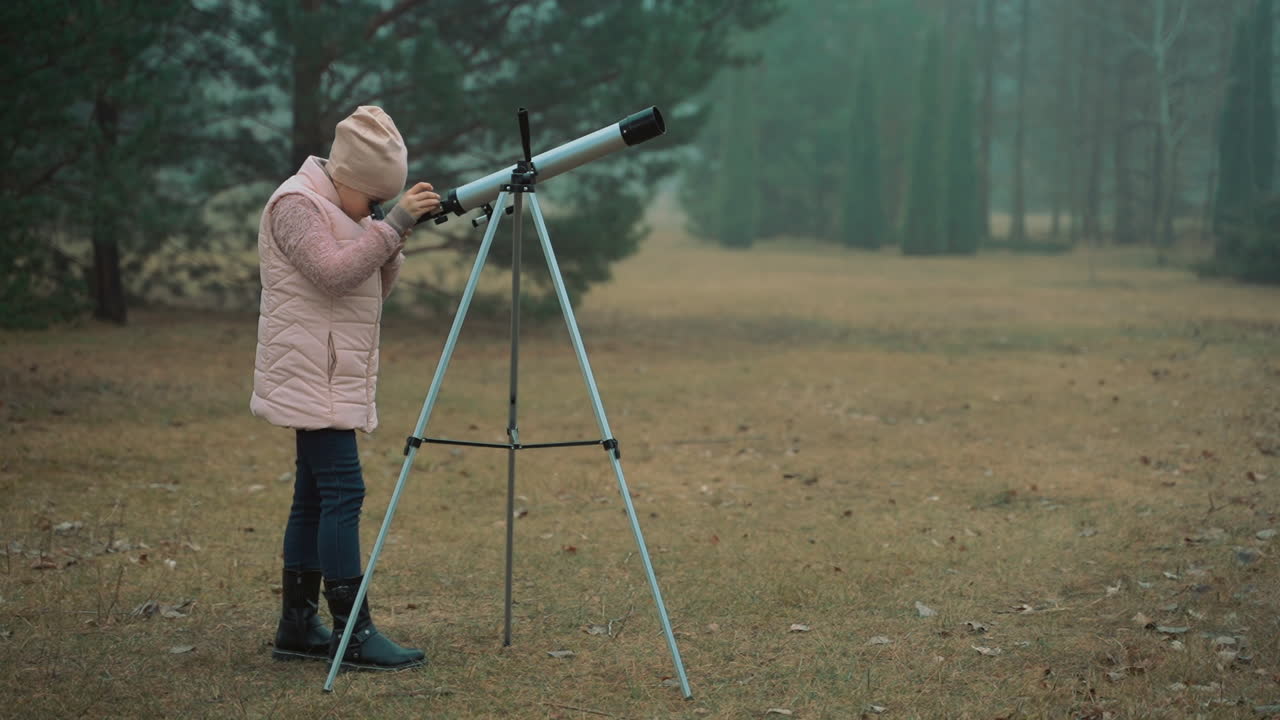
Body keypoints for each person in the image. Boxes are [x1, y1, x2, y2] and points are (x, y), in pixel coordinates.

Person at [249, 106, 440, 671]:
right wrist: (392, 227)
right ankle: (351, 633)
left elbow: (370, 290)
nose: (376, 211)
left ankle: (298, 625)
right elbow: (334, 273)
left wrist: (387, 237)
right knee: (343, 491)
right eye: (373, 200)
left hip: (328, 369)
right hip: (311, 372)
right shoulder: (297, 205)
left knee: (313, 495)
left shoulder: (343, 207)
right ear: (348, 179)